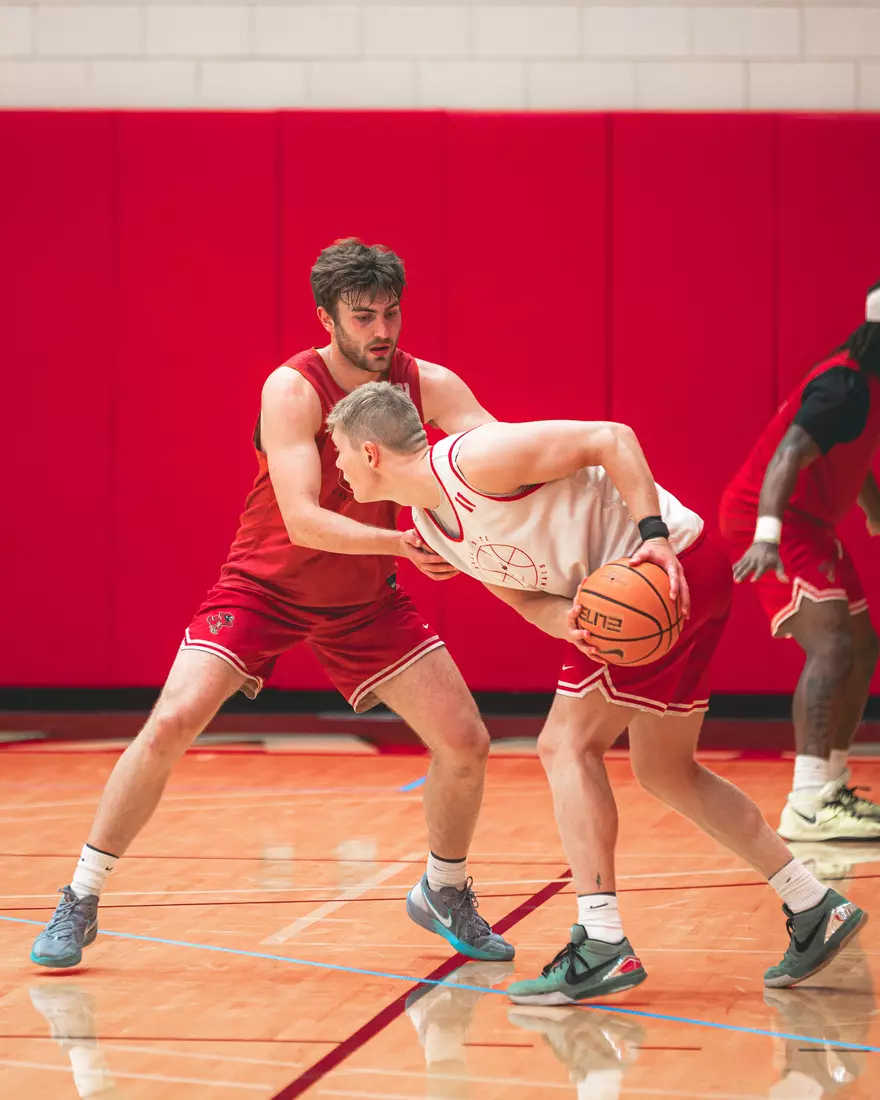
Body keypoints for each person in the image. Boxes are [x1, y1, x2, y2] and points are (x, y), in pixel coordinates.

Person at [30, 239, 515, 969]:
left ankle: (443, 890)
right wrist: (406, 543)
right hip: (264, 589)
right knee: (171, 722)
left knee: (466, 742)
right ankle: (81, 896)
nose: (382, 330)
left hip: (362, 599)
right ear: (327, 318)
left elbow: (499, 461)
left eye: (391, 313)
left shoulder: (428, 384)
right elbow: (303, 520)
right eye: (363, 317)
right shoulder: (292, 389)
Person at [326, 381, 867, 1004]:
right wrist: (566, 622)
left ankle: (603, 941)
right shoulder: (430, 524)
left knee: (564, 746)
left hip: (664, 567)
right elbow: (521, 595)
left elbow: (612, 438)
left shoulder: (475, 458)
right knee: (667, 771)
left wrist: (653, 536)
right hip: (675, 584)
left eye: (338, 452)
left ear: (370, 453)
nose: (336, 464)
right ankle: (813, 905)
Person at [721, 283, 880, 843]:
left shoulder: (865, 385)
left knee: (862, 647)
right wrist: (767, 537)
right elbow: (788, 454)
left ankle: (830, 787)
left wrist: (874, 511)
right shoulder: (845, 385)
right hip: (773, 520)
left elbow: (849, 452)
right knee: (832, 646)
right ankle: (808, 803)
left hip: (808, 522)